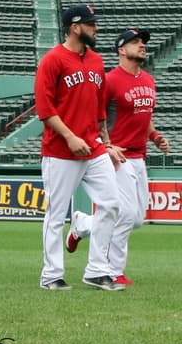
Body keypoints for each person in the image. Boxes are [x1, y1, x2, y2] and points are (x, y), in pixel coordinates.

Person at [68, 28, 171, 286]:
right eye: (135, 42)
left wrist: (155, 136)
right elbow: (96, 115)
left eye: (143, 42)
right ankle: (113, 270)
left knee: (136, 218)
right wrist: (106, 145)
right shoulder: (110, 80)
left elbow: (143, 115)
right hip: (117, 154)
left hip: (140, 156)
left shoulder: (148, 79)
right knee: (124, 214)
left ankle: (82, 223)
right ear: (121, 50)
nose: (142, 46)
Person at [35, 5, 123, 291]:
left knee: (111, 203)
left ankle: (97, 270)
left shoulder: (97, 61)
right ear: (75, 27)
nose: (95, 28)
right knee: (56, 213)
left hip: (94, 147)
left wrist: (106, 143)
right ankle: (52, 275)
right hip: (61, 150)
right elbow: (45, 109)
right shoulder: (52, 60)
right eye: (90, 24)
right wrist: (70, 136)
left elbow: (99, 110)